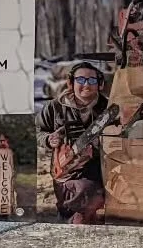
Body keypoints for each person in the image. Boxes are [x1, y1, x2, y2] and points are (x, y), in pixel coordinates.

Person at [37, 61, 109, 223]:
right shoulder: (54, 107)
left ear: (99, 84)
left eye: (92, 80)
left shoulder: (108, 108)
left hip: (96, 167)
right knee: (69, 209)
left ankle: (82, 220)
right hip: (65, 170)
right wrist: (49, 139)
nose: (86, 85)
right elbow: (39, 131)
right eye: (81, 80)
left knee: (89, 194)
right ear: (71, 83)